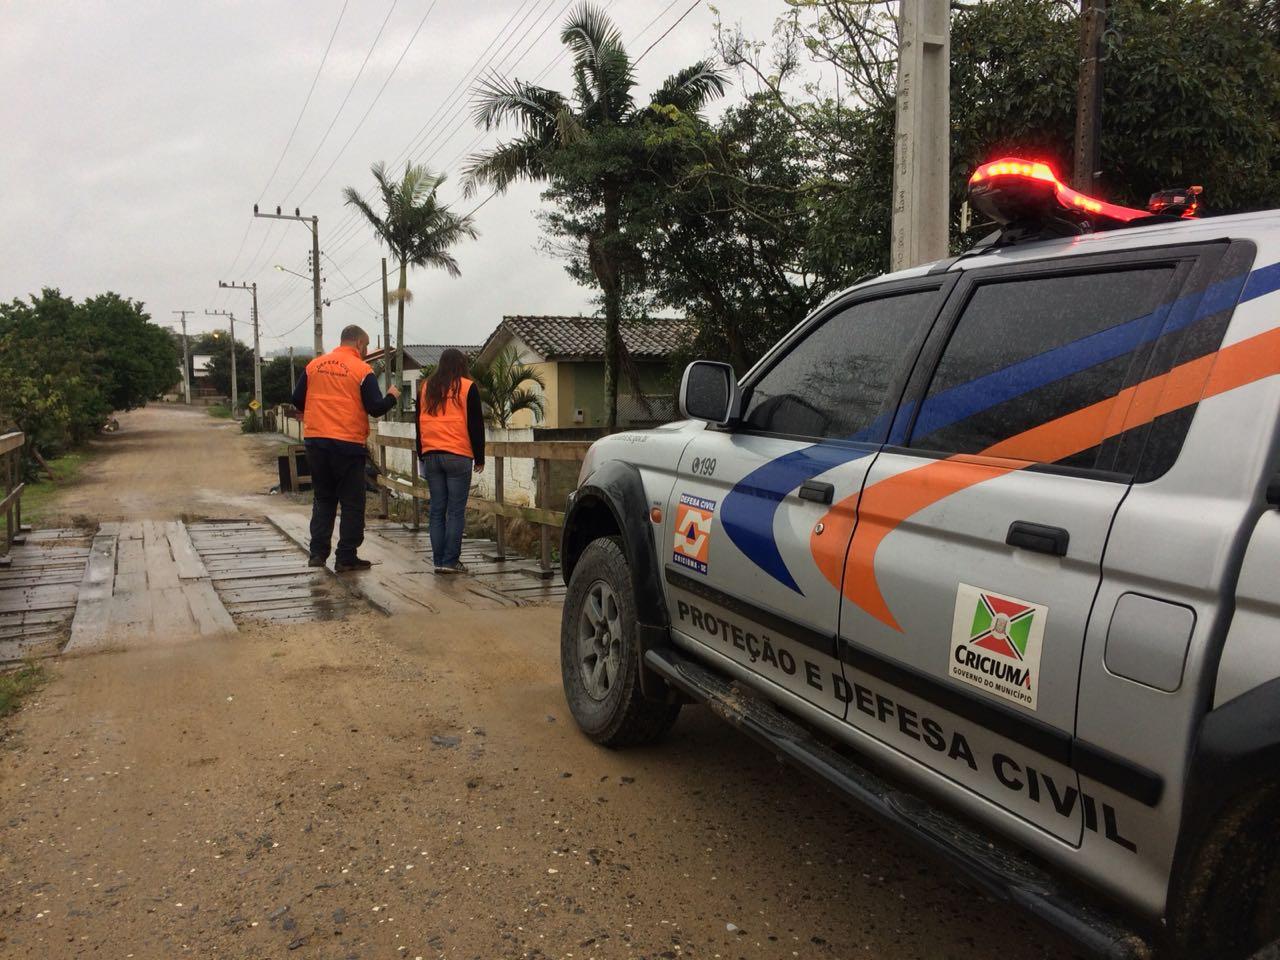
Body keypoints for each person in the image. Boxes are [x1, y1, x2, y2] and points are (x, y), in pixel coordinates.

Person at [291, 325, 399, 572]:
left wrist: (318, 411)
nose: (366, 350)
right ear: (359, 343)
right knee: (352, 502)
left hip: (316, 441)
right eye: (366, 346)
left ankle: (317, 554)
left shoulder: (314, 366)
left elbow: (297, 398)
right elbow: (375, 407)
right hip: (347, 444)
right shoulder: (362, 370)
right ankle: (346, 556)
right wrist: (392, 396)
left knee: (323, 498)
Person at [415, 348, 485, 574]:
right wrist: (480, 457)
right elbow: (476, 424)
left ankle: (438, 561)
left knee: (437, 510)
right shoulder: (467, 387)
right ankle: (450, 561)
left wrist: (421, 453)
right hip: (457, 454)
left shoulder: (426, 387)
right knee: (455, 511)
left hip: (431, 454)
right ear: (462, 365)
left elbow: (418, 424)